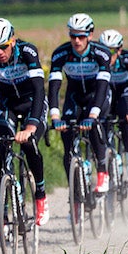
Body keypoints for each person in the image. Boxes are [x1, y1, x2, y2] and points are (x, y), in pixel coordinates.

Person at [0, 18, 49, 225]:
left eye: (4, 47)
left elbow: (39, 88)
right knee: (0, 147)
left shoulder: (27, 52)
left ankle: (41, 195)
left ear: (13, 41)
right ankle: (4, 212)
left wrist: (31, 125)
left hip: (32, 101)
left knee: (29, 143)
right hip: (7, 103)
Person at [47, 13, 113, 196]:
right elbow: (54, 86)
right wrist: (54, 115)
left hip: (97, 96)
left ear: (90, 35)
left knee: (93, 126)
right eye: (73, 35)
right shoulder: (61, 54)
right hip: (74, 97)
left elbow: (102, 86)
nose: (77, 40)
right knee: (67, 141)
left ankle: (102, 171)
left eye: (81, 36)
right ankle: (76, 193)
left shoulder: (101, 53)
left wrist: (93, 114)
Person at [98, 29, 128, 183]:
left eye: (111, 51)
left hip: (125, 91)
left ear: (119, 50)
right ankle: (105, 158)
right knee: (101, 119)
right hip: (108, 91)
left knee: (125, 116)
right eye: (104, 50)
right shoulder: (96, 61)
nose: (108, 55)